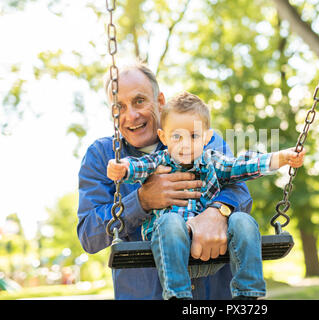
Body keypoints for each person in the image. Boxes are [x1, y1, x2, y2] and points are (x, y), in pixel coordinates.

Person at [77, 64, 253, 299]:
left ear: (160, 100)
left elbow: (239, 189)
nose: (131, 115)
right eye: (120, 107)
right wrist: (141, 201)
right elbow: (89, 235)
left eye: (139, 101)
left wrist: (217, 213)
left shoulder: (198, 137)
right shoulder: (101, 156)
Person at [107, 92, 306, 300]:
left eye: (193, 136)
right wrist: (123, 168)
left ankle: (248, 292)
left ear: (207, 137)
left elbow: (243, 165)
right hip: (171, 248)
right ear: (164, 137)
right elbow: (139, 166)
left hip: (214, 248)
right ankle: (178, 296)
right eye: (177, 136)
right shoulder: (158, 161)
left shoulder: (213, 162)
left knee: (243, 220)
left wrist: (280, 158)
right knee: (170, 222)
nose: (185, 144)